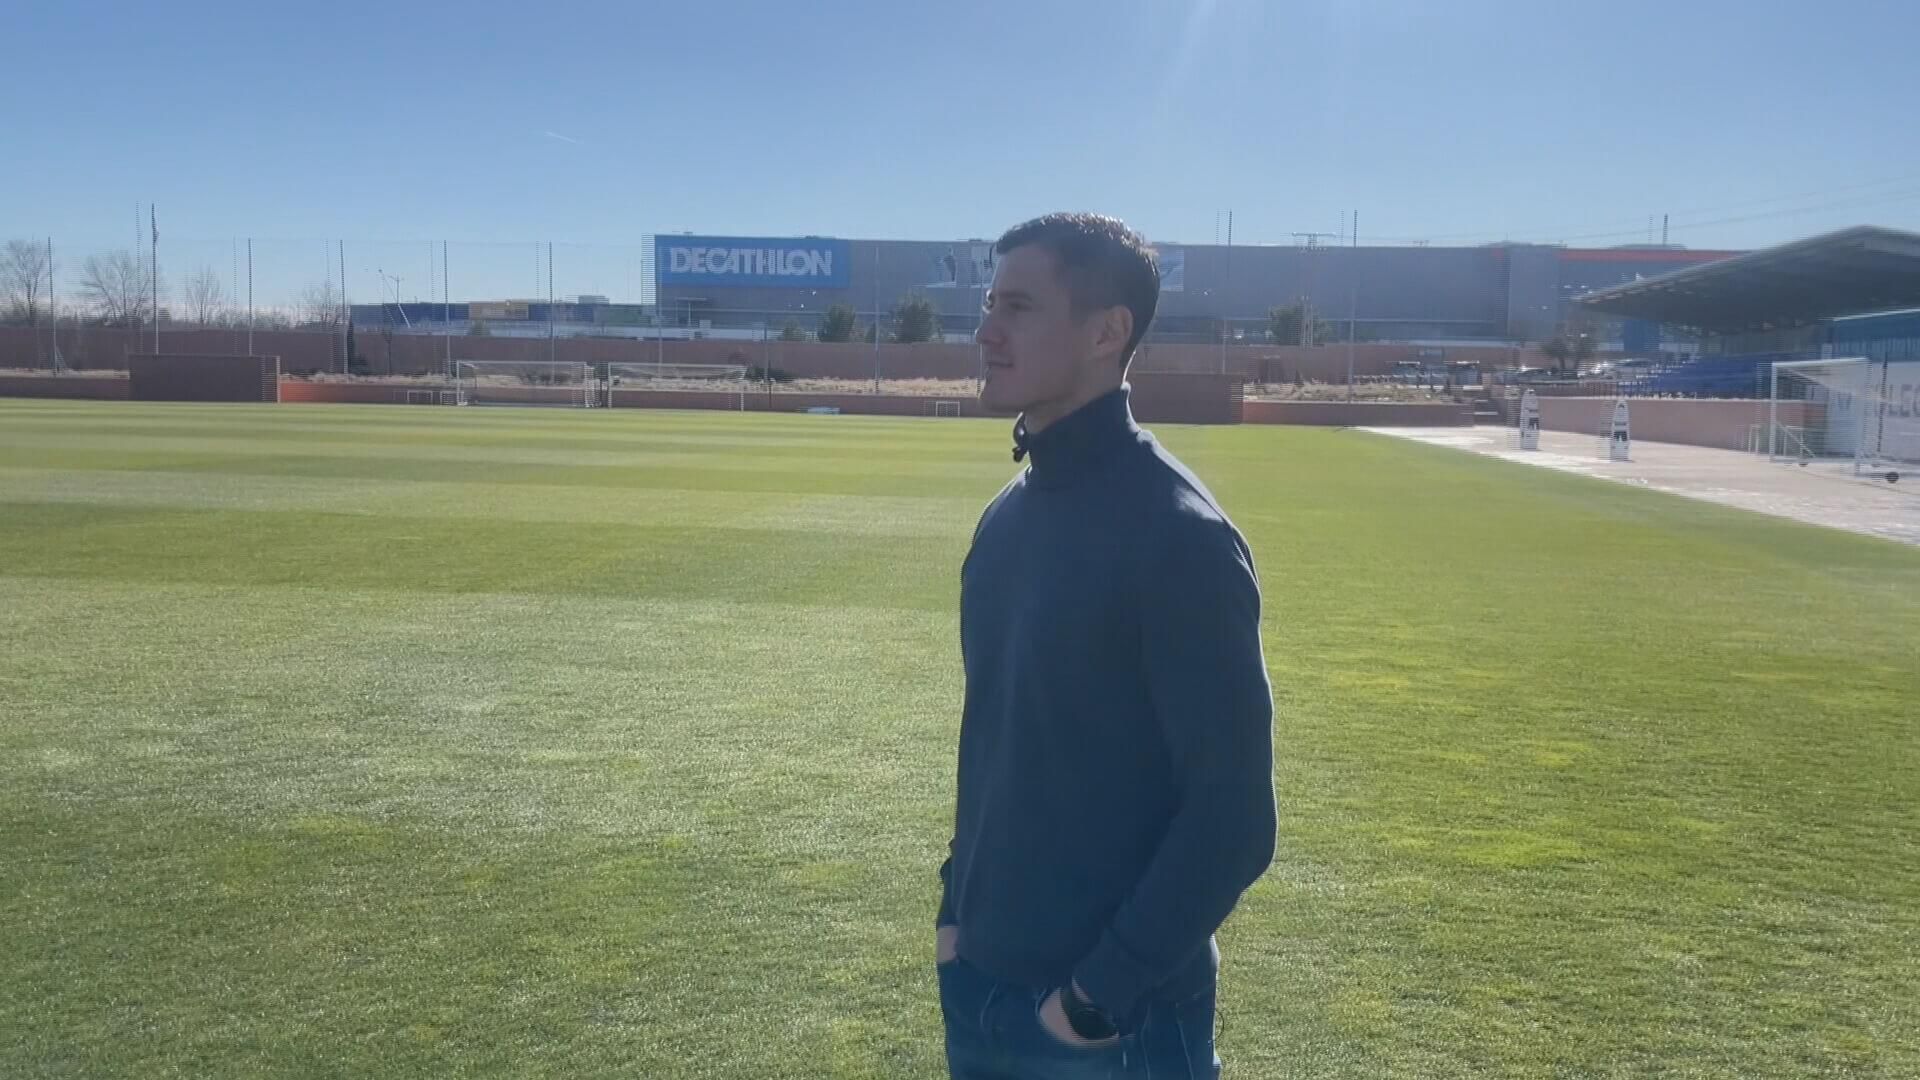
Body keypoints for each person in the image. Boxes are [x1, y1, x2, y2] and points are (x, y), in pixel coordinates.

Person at [936, 213, 1278, 1079]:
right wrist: (954, 917)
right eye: (989, 304)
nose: (986, 331)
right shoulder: (1007, 517)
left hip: (1111, 1028)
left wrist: (1094, 998)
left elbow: (1235, 818)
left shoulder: (1180, 537)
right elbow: (996, 746)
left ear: (1106, 332)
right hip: (979, 987)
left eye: (1018, 307)